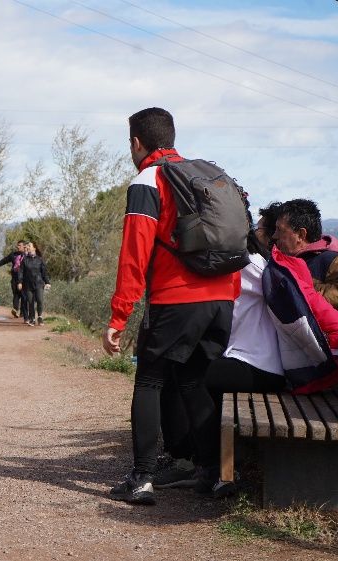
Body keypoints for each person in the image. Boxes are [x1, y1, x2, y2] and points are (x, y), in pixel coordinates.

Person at [102, 107, 239, 506]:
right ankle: (214, 474)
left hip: (176, 299)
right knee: (195, 380)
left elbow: (134, 255)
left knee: (149, 380)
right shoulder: (208, 174)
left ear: (135, 143)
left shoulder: (148, 179)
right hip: (222, 298)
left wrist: (119, 317)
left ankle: (141, 478)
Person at [273, 199, 338, 310]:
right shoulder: (291, 258)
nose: (274, 236)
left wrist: (305, 292)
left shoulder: (331, 260)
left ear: (301, 235)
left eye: (279, 230)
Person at [0, 240, 26, 318]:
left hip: (25, 279)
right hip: (15, 278)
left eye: (19, 245)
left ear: (24, 246)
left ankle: (23, 312)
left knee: (24, 295)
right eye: (17, 245)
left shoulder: (27, 256)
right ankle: (15, 310)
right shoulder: (13, 255)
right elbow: (3, 261)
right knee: (16, 294)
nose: (18, 247)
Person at [17, 241, 50, 326]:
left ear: (34, 248)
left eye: (29, 246)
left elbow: (44, 272)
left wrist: (47, 282)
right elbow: (21, 272)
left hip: (39, 283)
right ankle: (32, 319)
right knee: (30, 302)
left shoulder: (40, 259)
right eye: (27, 246)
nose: (27, 247)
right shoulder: (25, 260)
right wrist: (20, 282)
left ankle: (40, 317)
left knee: (40, 300)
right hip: (28, 284)